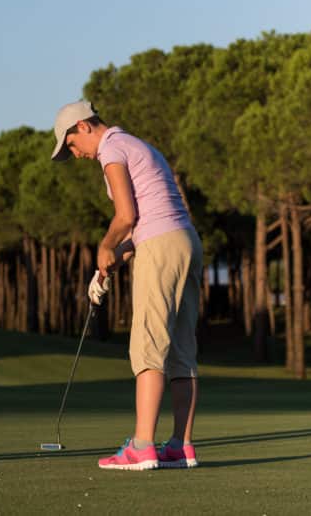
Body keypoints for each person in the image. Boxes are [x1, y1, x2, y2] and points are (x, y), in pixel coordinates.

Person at [51, 100, 202, 471]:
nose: (76, 154)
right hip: (186, 242)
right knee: (182, 351)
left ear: (83, 126)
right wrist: (111, 262)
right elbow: (145, 224)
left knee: (148, 346)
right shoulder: (140, 145)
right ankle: (180, 446)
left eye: (71, 145)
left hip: (161, 246)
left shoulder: (111, 149)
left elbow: (126, 216)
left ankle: (142, 446)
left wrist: (104, 246)